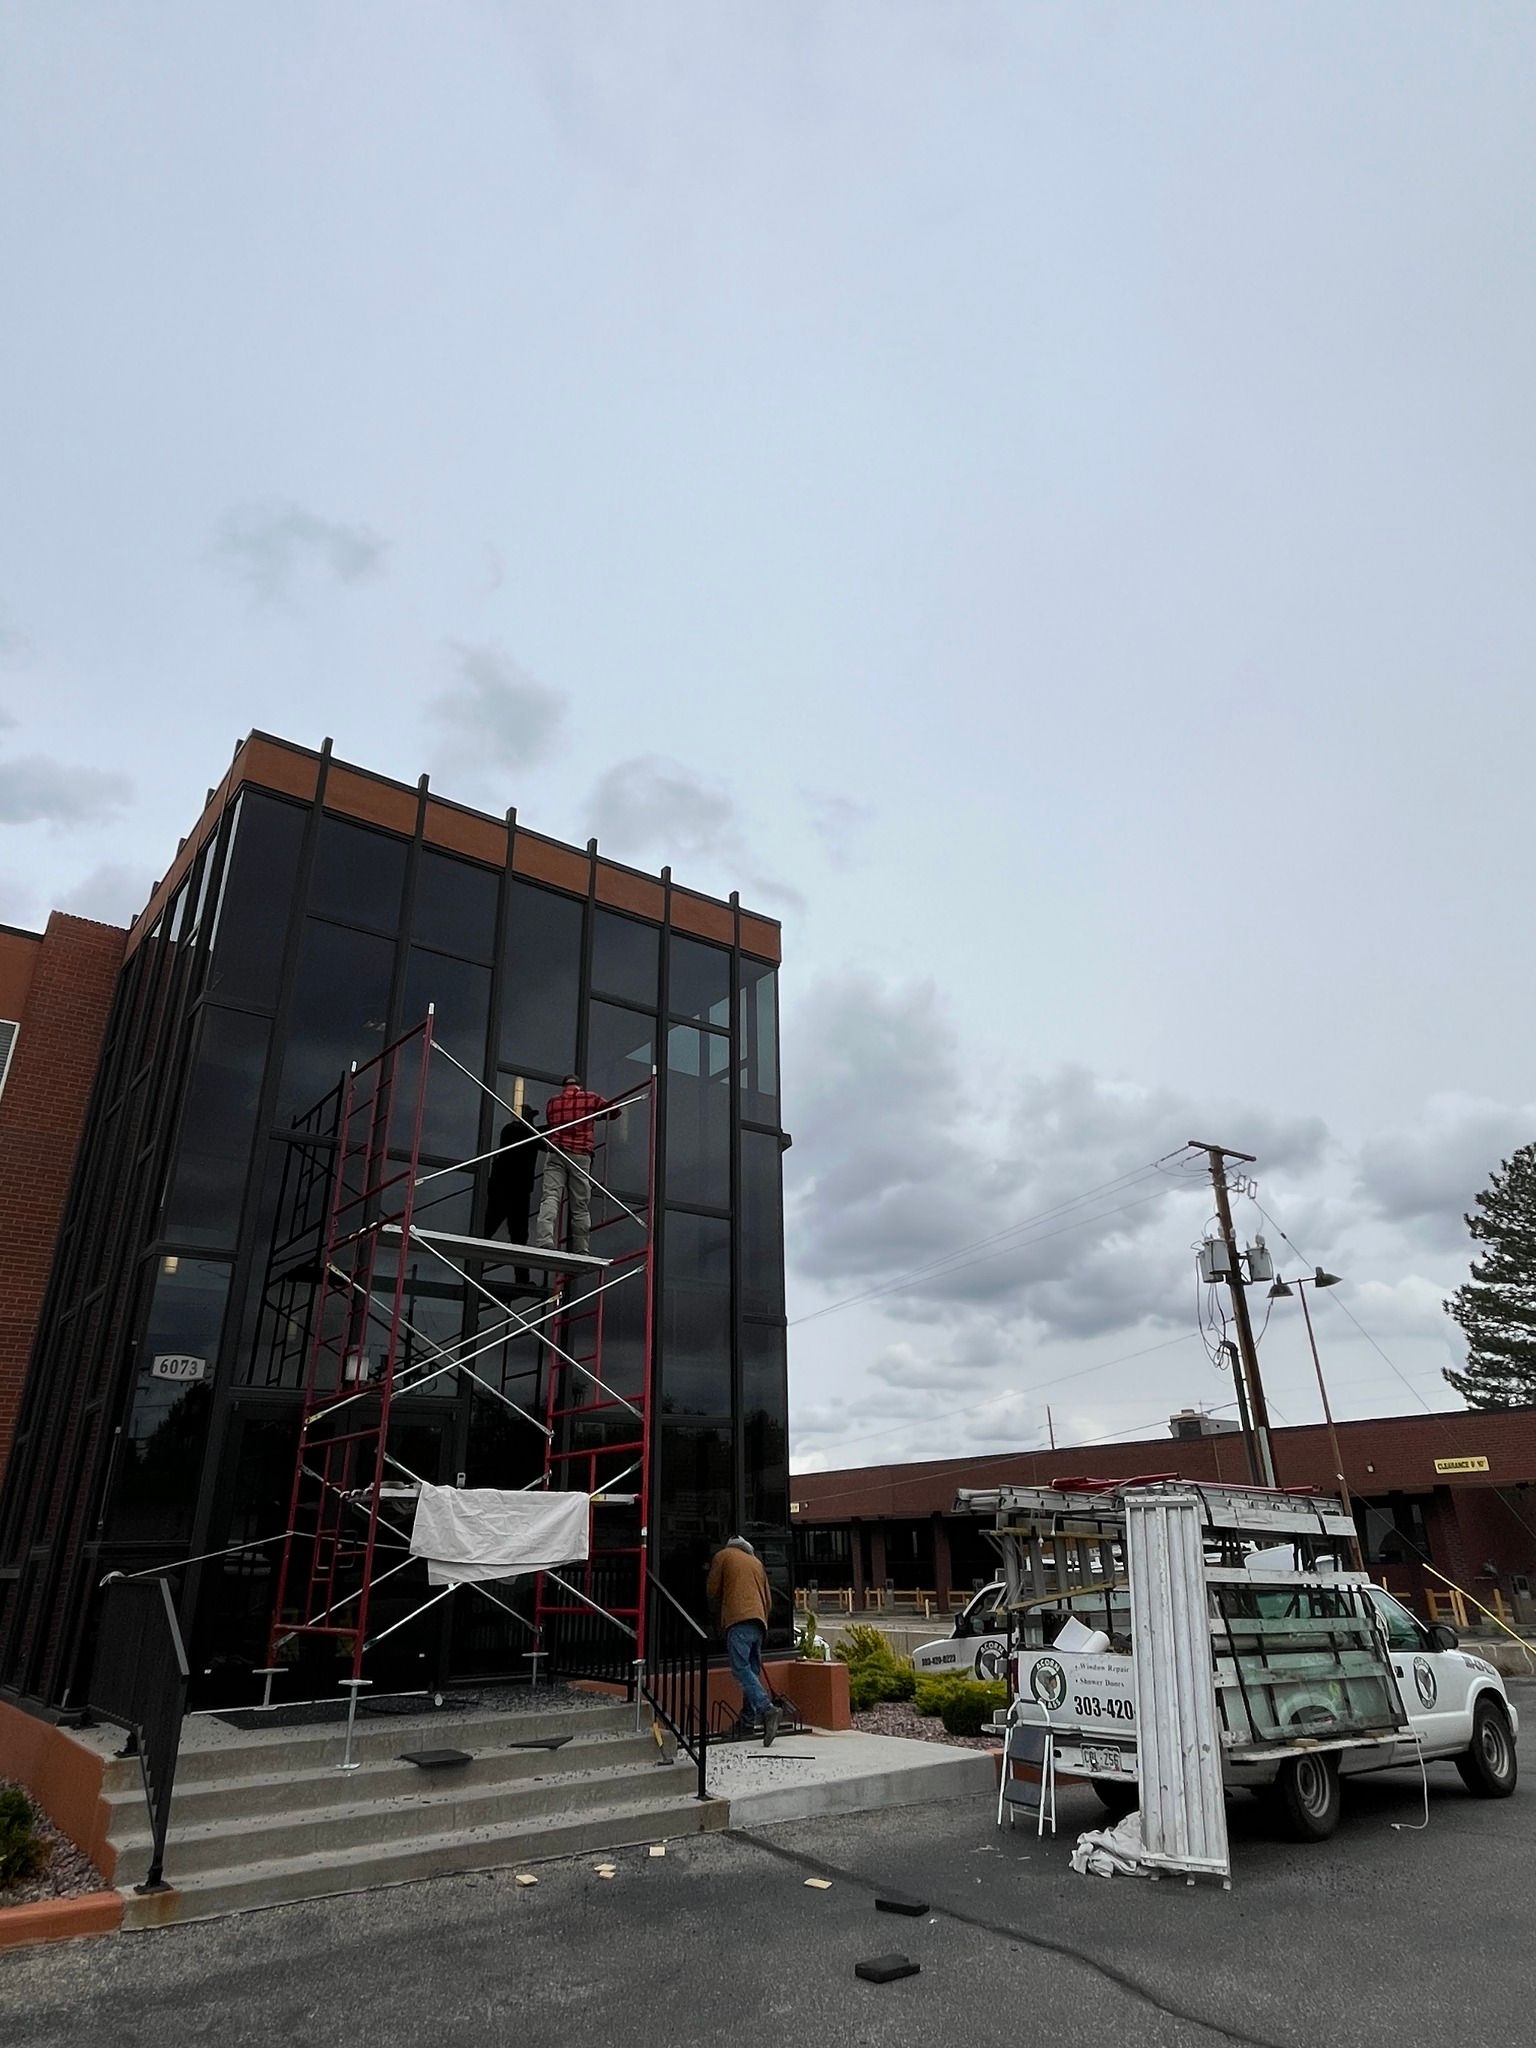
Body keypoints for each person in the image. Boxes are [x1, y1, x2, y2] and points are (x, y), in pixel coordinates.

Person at [532, 1074, 619, 1257]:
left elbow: (551, 1123)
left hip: (556, 1153)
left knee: (550, 1197)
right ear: (579, 1085)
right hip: (580, 1155)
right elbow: (614, 1112)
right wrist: (598, 1116)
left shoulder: (553, 1102)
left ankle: (545, 1240)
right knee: (580, 1205)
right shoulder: (590, 1098)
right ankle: (581, 1248)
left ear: (564, 1086)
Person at [707, 1536, 779, 1747]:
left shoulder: (723, 1556)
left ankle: (767, 1709)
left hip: (738, 1620)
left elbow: (711, 1589)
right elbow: (768, 1599)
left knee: (740, 1669)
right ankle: (747, 1722)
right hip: (759, 1623)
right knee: (751, 1673)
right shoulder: (756, 1562)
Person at [484, 1118, 540, 1286]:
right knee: (509, 1233)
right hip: (509, 1189)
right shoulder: (514, 1131)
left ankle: (521, 1279)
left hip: (514, 1189)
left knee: (517, 1235)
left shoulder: (520, 1133)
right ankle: (472, 1270)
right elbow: (538, 1138)